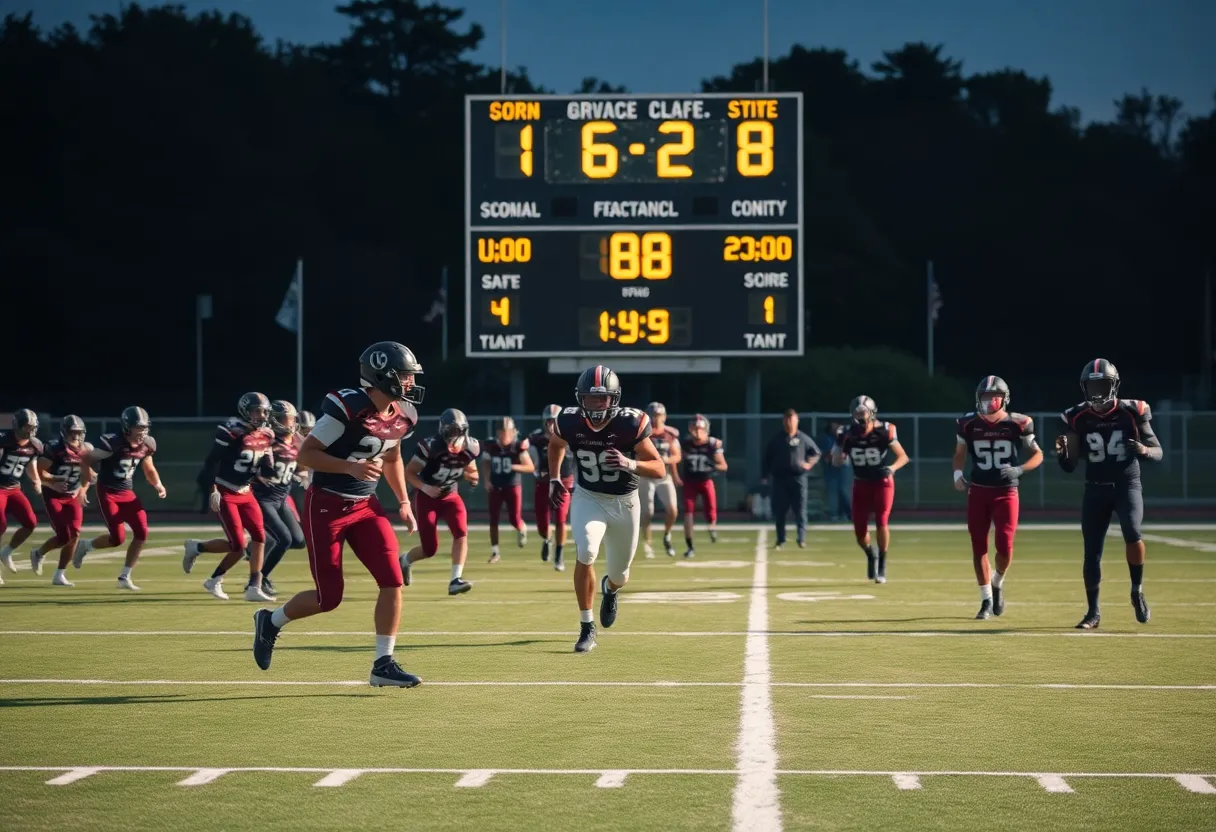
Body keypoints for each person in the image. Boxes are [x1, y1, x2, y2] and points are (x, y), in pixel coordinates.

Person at [252, 341, 422, 688]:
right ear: (382, 375)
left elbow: (392, 458)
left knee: (392, 579)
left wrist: (403, 501)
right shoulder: (347, 408)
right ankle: (270, 621)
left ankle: (382, 663)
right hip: (327, 505)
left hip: (366, 507)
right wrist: (349, 467)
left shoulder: (403, 414)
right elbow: (306, 455)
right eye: (403, 376)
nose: (408, 383)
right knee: (328, 598)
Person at [546, 365, 666, 652]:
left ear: (615, 399)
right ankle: (587, 627)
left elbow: (660, 468)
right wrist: (554, 477)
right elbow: (555, 446)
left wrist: (630, 463)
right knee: (586, 551)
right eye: (590, 398)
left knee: (620, 575)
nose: (597, 405)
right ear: (580, 399)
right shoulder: (569, 420)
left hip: (625, 502)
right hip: (589, 497)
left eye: (603, 399)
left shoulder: (629, 423)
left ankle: (610, 590)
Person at [1056, 359, 1161, 630]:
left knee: (1133, 532)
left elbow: (1157, 451)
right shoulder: (1077, 415)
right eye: (1093, 386)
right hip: (1095, 489)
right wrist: (1064, 455)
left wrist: (1144, 451)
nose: (1098, 391)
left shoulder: (1132, 411)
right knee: (1091, 553)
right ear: (1084, 388)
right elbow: (1070, 467)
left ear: (1114, 385)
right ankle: (1093, 612)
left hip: (1127, 485)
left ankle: (1136, 590)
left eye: (1102, 385)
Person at [953, 376, 1043, 619]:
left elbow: (1038, 454)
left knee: (1004, 545)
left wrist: (1020, 469)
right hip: (978, 490)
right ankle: (985, 600)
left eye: (995, 396)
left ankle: (997, 581)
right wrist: (957, 473)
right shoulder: (967, 423)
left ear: (1005, 399)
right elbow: (960, 453)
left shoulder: (1020, 423)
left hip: (1006, 491)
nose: (990, 401)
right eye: (985, 397)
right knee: (978, 545)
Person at [182, 393, 276, 602]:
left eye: (263, 411)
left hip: (245, 490)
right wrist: (212, 489)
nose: (260, 415)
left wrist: (282, 469)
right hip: (225, 489)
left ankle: (254, 586)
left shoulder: (267, 434)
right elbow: (212, 462)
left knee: (260, 538)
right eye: (255, 411)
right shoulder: (231, 430)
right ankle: (213, 579)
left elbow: (266, 466)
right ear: (244, 411)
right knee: (238, 545)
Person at [74, 406, 166, 590]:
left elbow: (148, 467)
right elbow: (85, 459)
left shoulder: (147, 444)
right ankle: (86, 545)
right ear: (126, 427)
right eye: (138, 428)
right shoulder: (112, 443)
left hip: (127, 492)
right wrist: (90, 474)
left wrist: (158, 484)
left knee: (142, 532)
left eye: (144, 428)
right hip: (108, 492)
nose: (142, 432)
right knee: (117, 538)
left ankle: (125, 576)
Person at [400, 408, 480, 594]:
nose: (453, 438)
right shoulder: (431, 447)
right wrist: (426, 487)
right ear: (442, 431)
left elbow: (472, 470)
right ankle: (405, 560)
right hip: (428, 498)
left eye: (456, 432)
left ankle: (455, 580)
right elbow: (409, 473)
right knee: (430, 549)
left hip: (451, 496)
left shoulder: (471, 447)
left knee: (461, 534)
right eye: (449, 432)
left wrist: (472, 477)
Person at [833, 396, 909, 583]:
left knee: (882, 520)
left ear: (872, 413)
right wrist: (838, 447)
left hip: (882, 482)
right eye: (857, 413)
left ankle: (882, 562)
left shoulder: (884, 431)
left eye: (863, 412)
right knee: (860, 532)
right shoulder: (848, 433)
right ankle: (870, 554)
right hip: (861, 483)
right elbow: (836, 461)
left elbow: (903, 457)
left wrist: (891, 468)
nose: (860, 416)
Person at [250, 400, 307, 597]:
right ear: (275, 420)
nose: (290, 423)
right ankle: (258, 579)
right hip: (263, 498)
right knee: (284, 539)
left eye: (291, 419)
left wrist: (301, 474)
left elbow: (298, 466)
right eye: (285, 419)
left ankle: (255, 552)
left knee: (298, 541)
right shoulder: (267, 441)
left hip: (281, 499)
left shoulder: (294, 441)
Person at [29, 415, 94, 586]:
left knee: (75, 534)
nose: (76, 436)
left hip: (73, 494)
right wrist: (52, 482)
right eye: (72, 432)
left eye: (79, 433)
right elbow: (38, 472)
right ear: (64, 432)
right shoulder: (54, 449)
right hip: (54, 494)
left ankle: (60, 574)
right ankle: (39, 553)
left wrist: (83, 490)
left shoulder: (86, 450)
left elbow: (87, 476)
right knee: (64, 536)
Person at [761, 409, 820, 549]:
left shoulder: (803, 438)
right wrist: (764, 475)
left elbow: (816, 452)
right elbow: (767, 458)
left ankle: (801, 539)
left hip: (798, 478)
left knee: (800, 510)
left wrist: (809, 464)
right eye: (787, 420)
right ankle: (781, 539)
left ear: (797, 421)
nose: (790, 423)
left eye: (792, 420)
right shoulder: (777, 439)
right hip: (780, 479)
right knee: (780, 511)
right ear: (784, 421)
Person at [480, 416, 533, 563]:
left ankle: (522, 528)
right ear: (497, 433)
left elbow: (530, 467)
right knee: (493, 519)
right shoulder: (491, 445)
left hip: (512, 486)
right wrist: (486, 479)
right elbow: (485, 462)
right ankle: (495, 551)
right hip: (495, 486)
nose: (505, 435)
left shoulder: (518, 446)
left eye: (508, 431)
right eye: (502, 432)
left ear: (513, 432)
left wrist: (514, 466)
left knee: (514, 519)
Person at [528, 404, 573, 571]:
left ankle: (559, 556)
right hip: (543, 482)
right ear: (544, 422)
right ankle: (546, 539)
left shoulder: (570, 436)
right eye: (549, 421)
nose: (552, 425)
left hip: (564, 482)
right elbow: (526, 454)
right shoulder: (536, 439)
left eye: (555, 421)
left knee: (561, 519)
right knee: (542, 522)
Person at [0, 409, 44, 578]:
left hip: (14, 488)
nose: (30, 430)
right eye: (26, 426)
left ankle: (6, 552)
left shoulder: (35, 445)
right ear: (17, 426)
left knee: (30, 522)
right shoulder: (4, 441)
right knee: (1, 525)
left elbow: (30, 465)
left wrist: (37, 480)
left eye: (32, 427)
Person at [676, 414, 727, 558]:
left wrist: (712, 466)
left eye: (700, 429)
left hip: (705, 480)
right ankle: (690, 545)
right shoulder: (685, 444)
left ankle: (712, 528)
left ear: (706, 430)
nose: (697, 432)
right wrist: (676, 477)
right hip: (690, 481)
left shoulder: (712, 444)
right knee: (688, 512)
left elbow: (724, 466)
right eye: (694, 428)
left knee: (711, 511)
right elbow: (676, 461)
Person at [639, 402, 680, 558]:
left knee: (673, 510)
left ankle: (667, 535)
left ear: (664, 416)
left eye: (659, 416)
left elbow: (677, 455)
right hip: (646, 476)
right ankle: (647, 543)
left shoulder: (670, 434)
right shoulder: (643, 432)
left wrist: (666, 460)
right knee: (647, 513)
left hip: (664, 476)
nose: (656, 419)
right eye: (653, 416)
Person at [821, 420, 851, 521]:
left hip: (844, 467)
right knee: (832, 491)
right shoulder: (827, 439)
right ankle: (834, 514)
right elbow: (827, 455)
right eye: (833, 427)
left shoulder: (846, 436)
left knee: (844, 490)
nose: (836, 428)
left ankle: (847, 514)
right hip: (831, 468)